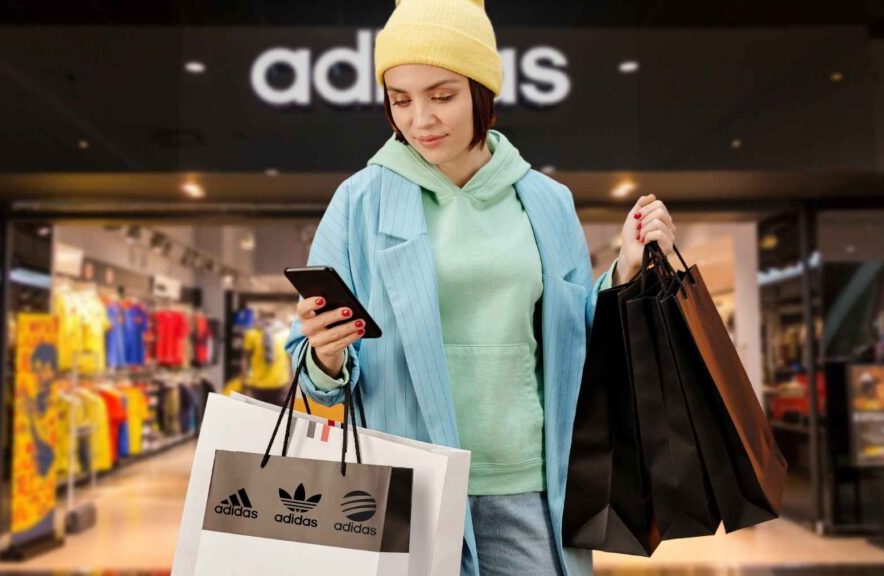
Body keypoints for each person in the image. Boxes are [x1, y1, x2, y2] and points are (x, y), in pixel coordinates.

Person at [284, 0, 676, 573]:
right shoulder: (359, 202)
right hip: (402, 491)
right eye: (401, 100)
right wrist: (323, 352)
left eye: (441, 95)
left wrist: (626, 272)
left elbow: (578, 347)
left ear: (480, 91)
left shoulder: (546, 202)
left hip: (529, 487)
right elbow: (310, 377)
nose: (420, 120)